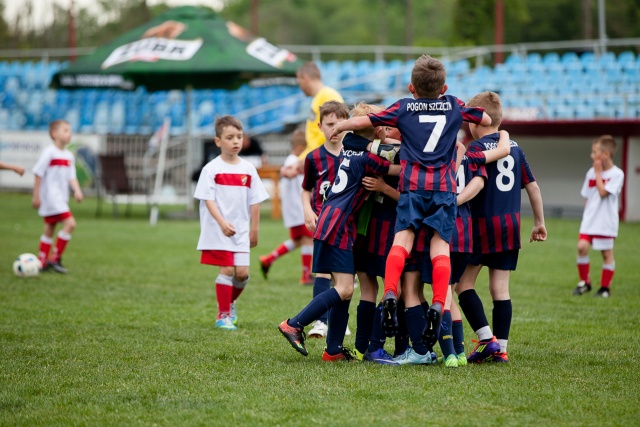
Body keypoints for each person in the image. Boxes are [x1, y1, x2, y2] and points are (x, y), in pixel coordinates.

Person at [329, 55, 491, 354]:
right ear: (443, 86)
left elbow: (364, 121)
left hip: (412, 188)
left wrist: (341, 127)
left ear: (411, 86)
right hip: (443, 190)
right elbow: (486, 119)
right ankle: (440, 302)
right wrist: (458, 108)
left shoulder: (403, 107)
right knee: (440, 249)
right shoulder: (454, 104)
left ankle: (390, 293)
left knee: (400, 242)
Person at [278, 103, 401, 361]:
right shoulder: (370, 158)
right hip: (339, 225)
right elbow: (399, 167)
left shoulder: (349, 149)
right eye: (382, 126)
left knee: (341, 288)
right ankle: (294, 323)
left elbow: (357, 140)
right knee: (345, 289)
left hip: (331, 221)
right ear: (376, 130)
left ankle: (333, 350)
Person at [455, 91, 547, 363]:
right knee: (500, 290)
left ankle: (487, 340)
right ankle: (502, 350)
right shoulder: (515, 147)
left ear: (477, 121)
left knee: (462, 285)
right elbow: (533, 185)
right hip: (510, 226)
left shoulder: (475, 148)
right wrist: (539, 223)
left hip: (482, 225)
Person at [419, 134, 511, 367]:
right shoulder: (470, 157)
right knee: (451, 291)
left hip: (445, 232)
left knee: (443, 294)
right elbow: (479, 183)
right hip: (466, 235)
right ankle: (459, 353)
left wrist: (449, 202)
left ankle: (450, 353)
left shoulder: (433, 160)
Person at [194, 116, 269, 330]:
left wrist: (254, 230)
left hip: (241, 231)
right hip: (219, 230)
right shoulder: (211, 169)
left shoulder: (248, 169)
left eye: (239, 136)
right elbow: (208, 200)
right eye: (229, 137)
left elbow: (255, 201)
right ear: (218, 141)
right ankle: (223, 315)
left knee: (242, 273)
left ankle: (230, 302)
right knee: (227, 269)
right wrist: (221, 223)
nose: (235, 141)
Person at [299, 100, 350, 339]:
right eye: (330, 124)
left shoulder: (353, 156)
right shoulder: (313, 158)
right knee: (322, 273)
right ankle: (320, 322)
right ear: (320, 126)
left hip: (348, 225)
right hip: (323, 224)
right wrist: (308, 212)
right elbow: (306, 189)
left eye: (340, 125)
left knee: (347, 277)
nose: (335, 130)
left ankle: (339, 321)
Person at [259, 129, 314, 285]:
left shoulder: (292, 160)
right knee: (308, 240)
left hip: (295, 209)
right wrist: (287, 172)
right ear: (300, 148)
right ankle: (306, 275)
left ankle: (268, 259)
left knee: (299, 240)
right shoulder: (292, 161)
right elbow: (287, 172)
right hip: (297, 209)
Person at [572, 135, 624, 298]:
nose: (592, 156)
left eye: (595, 152)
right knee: (581, 247)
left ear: (606, 154)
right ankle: (585, 283)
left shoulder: (617, 174)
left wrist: (598, 173)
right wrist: (586, 215)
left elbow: (603, 193)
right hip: (590, 220)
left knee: (606, 254)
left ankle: (604, 288)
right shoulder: (591, 173)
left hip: (605, 222)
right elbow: (588, 196)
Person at [31, 120, 83, 274]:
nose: (69, 133)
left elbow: (71, 177)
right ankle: (55, 258)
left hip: (61, 197)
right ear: (54, 134)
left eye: (70, 130)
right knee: (70, 224)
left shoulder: (68, 155)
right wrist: (36, 195)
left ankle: (42, 261)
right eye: (65, 130)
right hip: (51, 197)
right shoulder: (49, 152)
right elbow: (38, 172)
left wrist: (77, 190)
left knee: (50, 228)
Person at [296, 62, 345, 159]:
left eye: (299, 83)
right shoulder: (319, 97)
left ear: (305, 78)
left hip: (324, 158)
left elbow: (333, 132)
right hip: (317, 155)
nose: (300, 87)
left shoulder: (328, 96)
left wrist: (304, 160)